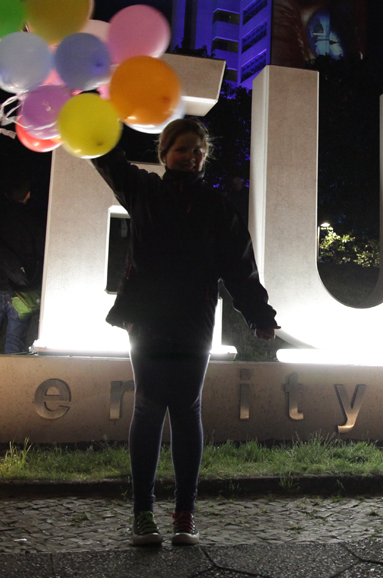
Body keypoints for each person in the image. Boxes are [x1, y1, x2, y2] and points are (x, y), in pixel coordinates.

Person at [93, 118, 279, 547]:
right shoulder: (144, 190)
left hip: (195, 319)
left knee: (187, 408)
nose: (191, 156)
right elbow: (105, 157)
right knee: (148, 406)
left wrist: (259, 315)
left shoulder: (216, 207)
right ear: (164, 153)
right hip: (148, 318)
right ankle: (142, 514)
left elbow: (239, 265)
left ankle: (184, 514)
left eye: (198, 150)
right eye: (182, 149)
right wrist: (87, 115)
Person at [0, 177, 45, 354]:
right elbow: (41, 252)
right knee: (14, 346)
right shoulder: (34, 221)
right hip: (22, 289)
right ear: (28, 195)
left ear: (6, 194)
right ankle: (11, 379)